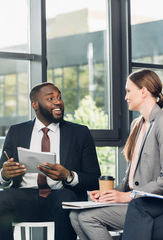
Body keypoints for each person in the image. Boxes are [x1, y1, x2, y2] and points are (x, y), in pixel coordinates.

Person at [0, 82, 101, 240]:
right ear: (35, 104)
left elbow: (95, 180)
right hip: (24, 199)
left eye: (59, 97)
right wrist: (5, 174)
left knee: (67, 199)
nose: (58, 101)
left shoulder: (79, 133)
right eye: (50, 98)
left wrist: (68, 176)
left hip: (59, 197)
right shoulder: (16, 132)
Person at [69, 69, 163, 240]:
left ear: (144, 91)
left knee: (88, 218)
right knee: (75, 216)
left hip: (151, 202)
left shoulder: (161, 122)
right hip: (134, 199)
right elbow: (130, 181)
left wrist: (127, 196)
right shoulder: (137, 124)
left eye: (128, 91)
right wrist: (109, 193)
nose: (126, 96)